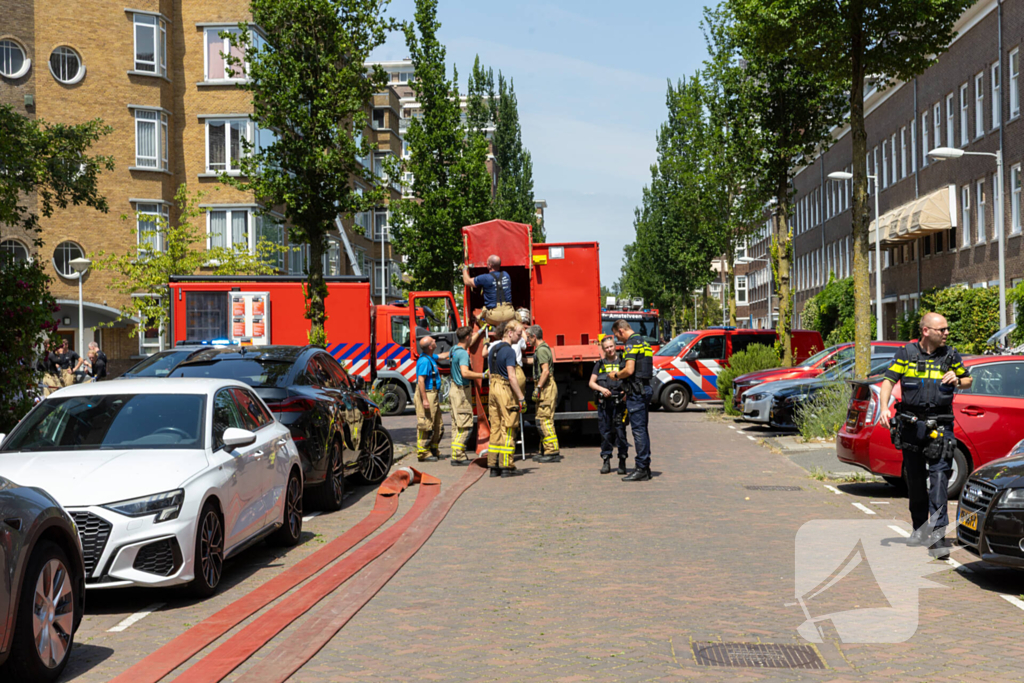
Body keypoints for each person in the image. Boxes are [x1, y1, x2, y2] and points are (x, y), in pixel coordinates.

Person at [878, 312, 971, 557]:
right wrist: (884, 406)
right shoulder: (906, 354)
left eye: (947, 329)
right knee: (916, 481)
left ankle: (938, 536)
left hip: (940, 427)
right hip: (910, 426)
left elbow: (968, 379)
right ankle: (919, 528)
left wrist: (959, 380)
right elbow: (888, 380)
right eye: (942, 330)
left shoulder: (950, 355)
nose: (947, 333)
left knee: (939, 481)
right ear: (926, 331)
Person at [610, 319, 654, 481]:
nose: (617, 340)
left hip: (637, 392)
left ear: (621, 331)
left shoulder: (631, 343)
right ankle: (645, 467)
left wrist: (615, 375)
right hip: (645, 389)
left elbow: (629, 370)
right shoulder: (645, 343)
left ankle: (642, 468)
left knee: (638, 431)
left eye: (617, 336)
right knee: (643, 429)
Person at [487, 320, 526, 478]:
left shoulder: (492, 349)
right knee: (509, 426)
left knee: (495, 426)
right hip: (503, 388)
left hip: (492, 388)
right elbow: (511, 376)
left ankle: (493, 466)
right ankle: (506, 466)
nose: (520, 337)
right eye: (518, 334)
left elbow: (490, 373)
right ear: (509, 333)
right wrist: (521, 397)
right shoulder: (509, 351)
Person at [590, 335, 629, 474]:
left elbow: (629, 381)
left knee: (620, 434)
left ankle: (622, 461)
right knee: (605, 433)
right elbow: (591, 383)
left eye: (611, 346)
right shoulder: (599, 364)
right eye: (606, 347)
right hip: (605, 405)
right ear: (603, 349)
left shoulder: (623, 363)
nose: (610, 349)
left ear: (615, 346)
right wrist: (602, 389)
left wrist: (625, 393)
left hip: (619, 404)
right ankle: (606, 461)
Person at [449, 326, 486, 465]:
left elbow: (471, 341)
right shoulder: (463, 354)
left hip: (454, 389)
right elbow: (465, 372)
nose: (472, 337)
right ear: (466, 337)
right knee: (465, 425)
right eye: (471, 335)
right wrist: (482, 375)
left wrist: (481, 329)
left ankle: (456, 454)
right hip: (461, 392)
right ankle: (458, 456)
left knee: (457, 425)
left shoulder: (454, 349)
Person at [526, 325, 560, 463]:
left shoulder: (541, 350)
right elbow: (536, 362)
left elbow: (545, 371)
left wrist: (538, 388)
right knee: (541, 419)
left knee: (545, 420)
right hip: (544, 387)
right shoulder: (540, 350)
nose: (527, 341)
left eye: (528, 338)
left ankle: (552, 452)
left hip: (545, 387)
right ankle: (545, 450)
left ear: (534, 337)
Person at [414, 336, 446, 462]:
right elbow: (421, 381)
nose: (435, 341)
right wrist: (425, 400)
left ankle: (433, 449)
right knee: (426, 424)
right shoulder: (425, 361)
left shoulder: (430, 357)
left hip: (433, 393)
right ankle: (422, 452)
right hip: (427, 393)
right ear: (430, 347)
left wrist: (455, 350)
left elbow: (442, 356)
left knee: (438, 425)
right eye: (433, 341)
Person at [462, 255, 514, 328]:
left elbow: (467, 281)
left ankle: (489, 328)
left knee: (478, 316)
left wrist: (464, 269)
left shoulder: (485, 278)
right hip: (509, 315)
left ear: (490, 265)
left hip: (493, 317)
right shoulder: (506, 275)